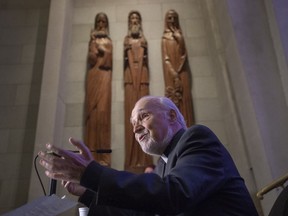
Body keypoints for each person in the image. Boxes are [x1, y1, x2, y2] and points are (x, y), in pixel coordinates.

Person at [38, 96, 259, 215]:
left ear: (171, 115)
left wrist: (94, 174)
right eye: (133, 124)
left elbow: (175, 195)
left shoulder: (196, 138)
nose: (135, 130)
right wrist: (88, 192)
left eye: (143, 117)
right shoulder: (163, 165)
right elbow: (138, 212)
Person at [123, 10, 152, 173]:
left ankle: (145, 158)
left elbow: (143, 60)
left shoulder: (143, 40)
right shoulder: (126, 40)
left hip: (142, 80)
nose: (134, 21)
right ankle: (132, 158)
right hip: (130, 81)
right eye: (132, 19)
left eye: (136, 19)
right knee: (132, 115)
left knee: (145, 113)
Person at [85, 12, 112, 166]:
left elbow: (108, 62)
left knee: (102, 113)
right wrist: (93, 46)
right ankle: (91, 155)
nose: (101, 24)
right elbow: (92, 60)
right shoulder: (93, 41)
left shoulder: (108, 41)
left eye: (103, 21)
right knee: (92, 115)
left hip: (105, 76)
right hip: (93, 76)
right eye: (98, 21)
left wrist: (101, 48)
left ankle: (103, 157)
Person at [162, 9, 195, 127]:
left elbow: (183, 54)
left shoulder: (179, 36)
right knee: (174, 101)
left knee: (185, 99)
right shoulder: (165, 38)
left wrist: (180, 39)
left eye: (174, 18)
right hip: (171, 74)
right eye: (169, 18)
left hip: (182, 72)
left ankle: (189, 127)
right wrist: (173, 73)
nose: (172, 21)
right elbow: (166, 58)